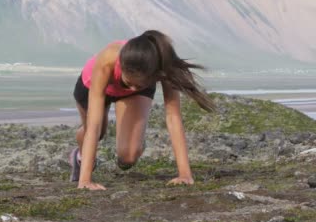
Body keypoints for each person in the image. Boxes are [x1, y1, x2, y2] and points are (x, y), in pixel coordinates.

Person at [69, 30, 217, 190]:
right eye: (128, 83)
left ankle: (134, 137)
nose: (132, 88)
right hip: (91, 86)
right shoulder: (107, 60)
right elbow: (94, 125)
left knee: (128, 157)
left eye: (137, 85)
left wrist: (185, 175)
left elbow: (173, 117)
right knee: (99, 131)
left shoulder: (165, 68)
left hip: (137, 88)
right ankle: (80, 156)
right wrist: (85, 181)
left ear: (155, 75)